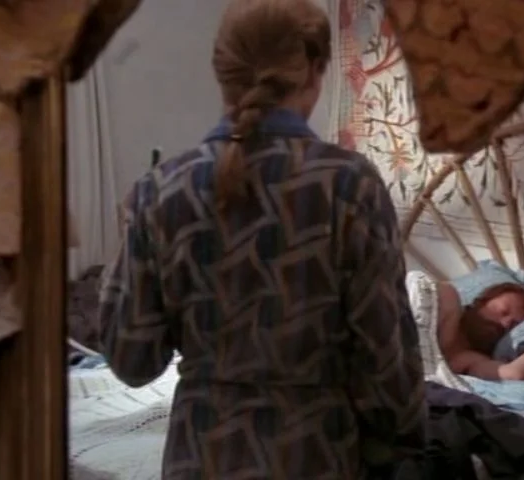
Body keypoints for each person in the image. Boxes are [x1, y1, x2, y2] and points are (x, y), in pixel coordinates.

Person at [97, 0, 426, 477]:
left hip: (200, 456)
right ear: (315, 71)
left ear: (220, 72)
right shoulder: (350, 186)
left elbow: (131, 359)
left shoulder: (159, 190)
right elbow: (388, 368)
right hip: (313, 455)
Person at [437, 281, 524, 381]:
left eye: (513, 325)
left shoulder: (470, 360)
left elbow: (516, 373)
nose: (505, 324)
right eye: (503, 311)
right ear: (480, 302)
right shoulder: (447, 298)